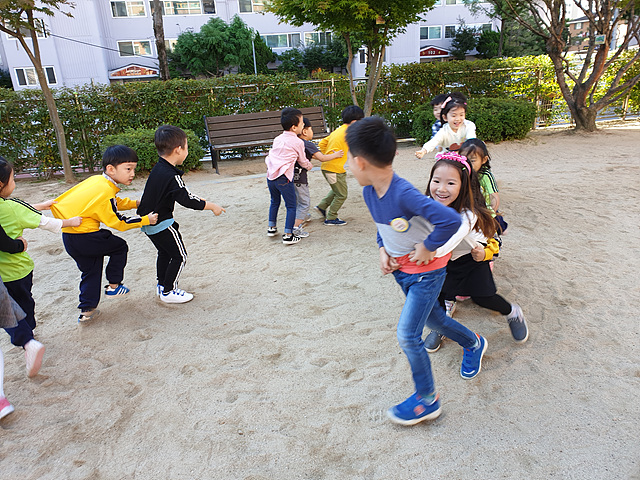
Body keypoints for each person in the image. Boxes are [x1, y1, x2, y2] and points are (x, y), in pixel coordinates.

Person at [346, 117, 488, 426]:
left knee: (409, 336)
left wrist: (428, 245)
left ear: (359, 161)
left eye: (348, 160)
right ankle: (474, 342)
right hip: (403, 272)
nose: (348, 166)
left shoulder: (404, 193)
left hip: (427, 273)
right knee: (435, 319)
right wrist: (383, 248)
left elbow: (450, 222)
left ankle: (427, 400)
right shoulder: (370, 191)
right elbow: (383, 227)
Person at [423, 151, 529, 353]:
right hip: (445, 262)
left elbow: (446, 244)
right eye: (436, 181)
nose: (441, 189)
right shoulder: (428, 204)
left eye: (451, 183)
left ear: (464, 186)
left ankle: (513, 312)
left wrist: (419, 252)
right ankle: (442, 324)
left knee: (484, 297)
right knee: (440, 293)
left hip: (471, 260)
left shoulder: (468, 214)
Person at [51, 146, 158, 322]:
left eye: (134, 169)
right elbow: (119, 222)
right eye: (128, 168)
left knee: (91, 271)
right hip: (87, 237)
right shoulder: (105, 190)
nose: (132, 173)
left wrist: (134, 203)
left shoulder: (97, 182)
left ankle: (87, 311)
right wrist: (146, 219)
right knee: (119, 246)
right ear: (111, 169)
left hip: (70, 237)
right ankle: (114, 286)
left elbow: (113, 203)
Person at [0, 156, 82, 376]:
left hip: (3, 275)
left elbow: (22, 210)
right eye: (13, 178)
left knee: (8, 308)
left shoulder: (10, 207)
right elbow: (43, 222)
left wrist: (38, 206)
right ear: (1, 184)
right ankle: (30, 334)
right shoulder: (11, 207)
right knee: (24, 300)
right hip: (19, 269)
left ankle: (27, 337)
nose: (14, 182)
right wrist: (69, 222)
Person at [137, 125, 225, 303]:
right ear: (178, 150)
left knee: (164, 253)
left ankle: (162, 286)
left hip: (147, 221)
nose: (187, 151)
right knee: (179, 256)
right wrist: (212, 206)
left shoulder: (159, 169)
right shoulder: (171, 175)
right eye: (186, 147)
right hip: (161, 222)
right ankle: (169, 291)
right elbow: (188, 200)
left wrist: (199, 199)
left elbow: (180, 194)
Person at [264, 108, 313, 244]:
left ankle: (271, 227)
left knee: (274, 201)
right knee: (291, 206)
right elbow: (302, 160)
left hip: (271, 176)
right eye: (302, 123)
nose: (303, 126)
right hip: (284, 178)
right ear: (294, 127)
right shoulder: (298, 142)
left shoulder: (278, 139)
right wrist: (309, 166)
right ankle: (288, 235)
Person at [292, 117, 344, 238]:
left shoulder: (294, 142)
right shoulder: (307, 144)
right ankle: (295, 227)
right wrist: (336, 155)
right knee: (304, 202)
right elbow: (322, 158)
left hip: (289, 178)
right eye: (311, 129)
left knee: (296, 200)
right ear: (305, 131)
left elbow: (313, 156)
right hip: (300, 179)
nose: (312, 132)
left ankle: (303, 216)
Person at [315, 105, 364, 226]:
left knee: (337, 190)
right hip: (334, 169)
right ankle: (331, 217)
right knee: (342, 194)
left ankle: (322, 206)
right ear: (354, 122)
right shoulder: (349, 133)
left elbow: (322, 143)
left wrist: (328, 154)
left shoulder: (339, 130)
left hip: (329, 167)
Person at [459, 138, 508, 234]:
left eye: (472, 160)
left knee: (499, 229)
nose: (468, 163)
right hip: (469, 207)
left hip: (486, 209)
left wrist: (491, 214)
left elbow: (494, 196)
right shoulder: (461, 171)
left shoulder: (486, 175)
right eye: (464, 159)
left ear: (484, 160)